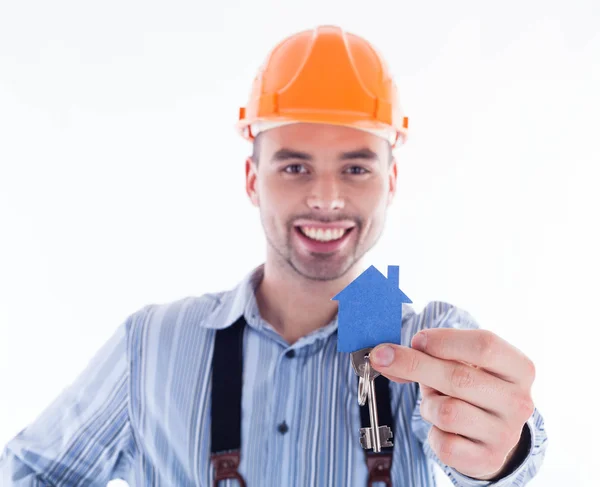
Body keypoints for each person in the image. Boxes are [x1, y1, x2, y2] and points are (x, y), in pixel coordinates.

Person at [0, 25, 547, 486]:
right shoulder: (153, 346)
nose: (326, 198)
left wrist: (507, 451)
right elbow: (28, 470)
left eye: (356, 168)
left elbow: (504, 453)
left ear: (391, 181)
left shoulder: (422, 346)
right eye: (295, 166)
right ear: (252, 179)